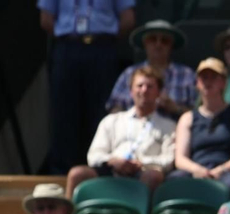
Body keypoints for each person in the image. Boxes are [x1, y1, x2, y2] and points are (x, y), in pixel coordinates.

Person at [37, 0, 137, 173]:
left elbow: (128, 19)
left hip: (102, 48)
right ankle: (61, 172)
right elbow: (46, 19)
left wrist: (106, 36)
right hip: (68, 47)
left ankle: (102, 169)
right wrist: (70, 37)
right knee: (63, 111)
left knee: (101, 111)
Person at [68, 67, 176, 198]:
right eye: (139, 86)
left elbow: (169, 160)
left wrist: (142, 162)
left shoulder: (169, 126)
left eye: (150, 86)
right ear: (131, 91)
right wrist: (113, 161)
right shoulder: (111, 121)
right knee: (78, 173)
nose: (144, 90)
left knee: (153, 176)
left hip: (144, 172)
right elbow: (94, 155)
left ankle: (141, 211)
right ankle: (68, 211)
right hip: (111, 171)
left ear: (158, 92)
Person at [170, 58, 230, 194]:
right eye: (204, 77)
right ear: (197, 83)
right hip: (195, 171)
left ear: (224, 82)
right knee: (174, 182)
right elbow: (180, 159)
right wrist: (197, 170)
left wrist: (221, 170)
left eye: (213, 77)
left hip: (227, 172)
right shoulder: (187, 118)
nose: (208, 82)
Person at [107, 20, 195, 118]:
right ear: (145, 43)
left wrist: (175, 108)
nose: (158, 44)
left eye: (164, 40)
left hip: (175, 126)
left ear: (171, 45)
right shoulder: (129, 73)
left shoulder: (187, 74)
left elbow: (199, 113)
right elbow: (115, 107)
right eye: (152, 39)